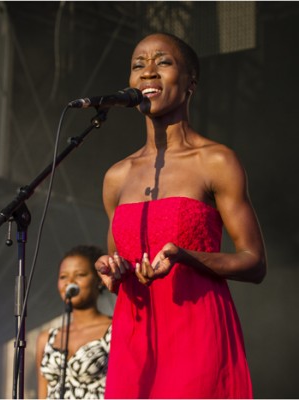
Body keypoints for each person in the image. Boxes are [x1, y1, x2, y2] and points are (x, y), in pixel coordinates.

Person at [94, 32, 267, 399]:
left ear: (191, 83)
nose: (148, 73)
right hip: (134, 344)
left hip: (196, 336)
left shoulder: (216, 161)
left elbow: (254, 263)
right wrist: (111, 271)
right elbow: (118, 268)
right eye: (138, 65)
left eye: (164, 62)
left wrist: (185, 257)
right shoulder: (116, 177)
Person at [36, 245, 112, 399]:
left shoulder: (114, 330)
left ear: (99, 280)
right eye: (63, 276)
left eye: (80, 275)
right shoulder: (46, 338)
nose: (69, 282)